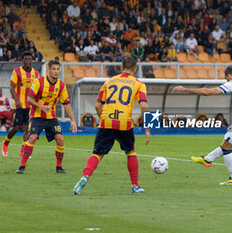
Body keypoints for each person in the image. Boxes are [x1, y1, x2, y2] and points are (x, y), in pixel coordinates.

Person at [73, 56, 150, 195]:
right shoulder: (139, 84)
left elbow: (97, 105)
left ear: (121, 68)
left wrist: (103, 118)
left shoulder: (109, 82)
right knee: (130, 151)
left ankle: (85, 176)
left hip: (106, 120)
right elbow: (144, 106)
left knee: (97, 153)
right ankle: (135, 186)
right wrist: (147, 128)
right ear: (135, 69)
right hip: (124, 122)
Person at [16, 60, 77, 174]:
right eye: (53, 69)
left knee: (60, 139)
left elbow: (66, 103)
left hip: (51, 117)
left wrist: (73, 120)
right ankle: (22, 166)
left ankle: (59, 167)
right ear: (49, 70)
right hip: (36, 116)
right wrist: (41, 107)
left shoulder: (61, 85)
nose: (56, 71)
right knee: (33, 137)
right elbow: (29, 99)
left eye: (58, 69)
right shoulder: (38, 82)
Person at [2, 51, 40, 158]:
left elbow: (38, 89)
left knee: (28, 128)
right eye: (26, 58)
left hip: (31, 106)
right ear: (22, 60)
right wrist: (17, 100)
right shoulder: (16, 71)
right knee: (17, 127)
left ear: (32, 60)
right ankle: (6, 142)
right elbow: (12, 88)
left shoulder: (36, 73)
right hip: (19, 106)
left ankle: (23, 152)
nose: (28, 60)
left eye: (29, 58)